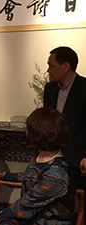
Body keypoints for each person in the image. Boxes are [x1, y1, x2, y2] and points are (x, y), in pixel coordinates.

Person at [0, 107, 75, 225]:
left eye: (28, 129)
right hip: (32, 216)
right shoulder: (38, 155)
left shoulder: (57, 174)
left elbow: (27, 203)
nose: (26, 131)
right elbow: (29, 177)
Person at [43, 46, 86, 214]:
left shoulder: (84, 88)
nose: (48, 70)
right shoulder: (50, 88)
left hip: (79, 158)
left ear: (65, 66)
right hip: (53, 157)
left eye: (51, 65)